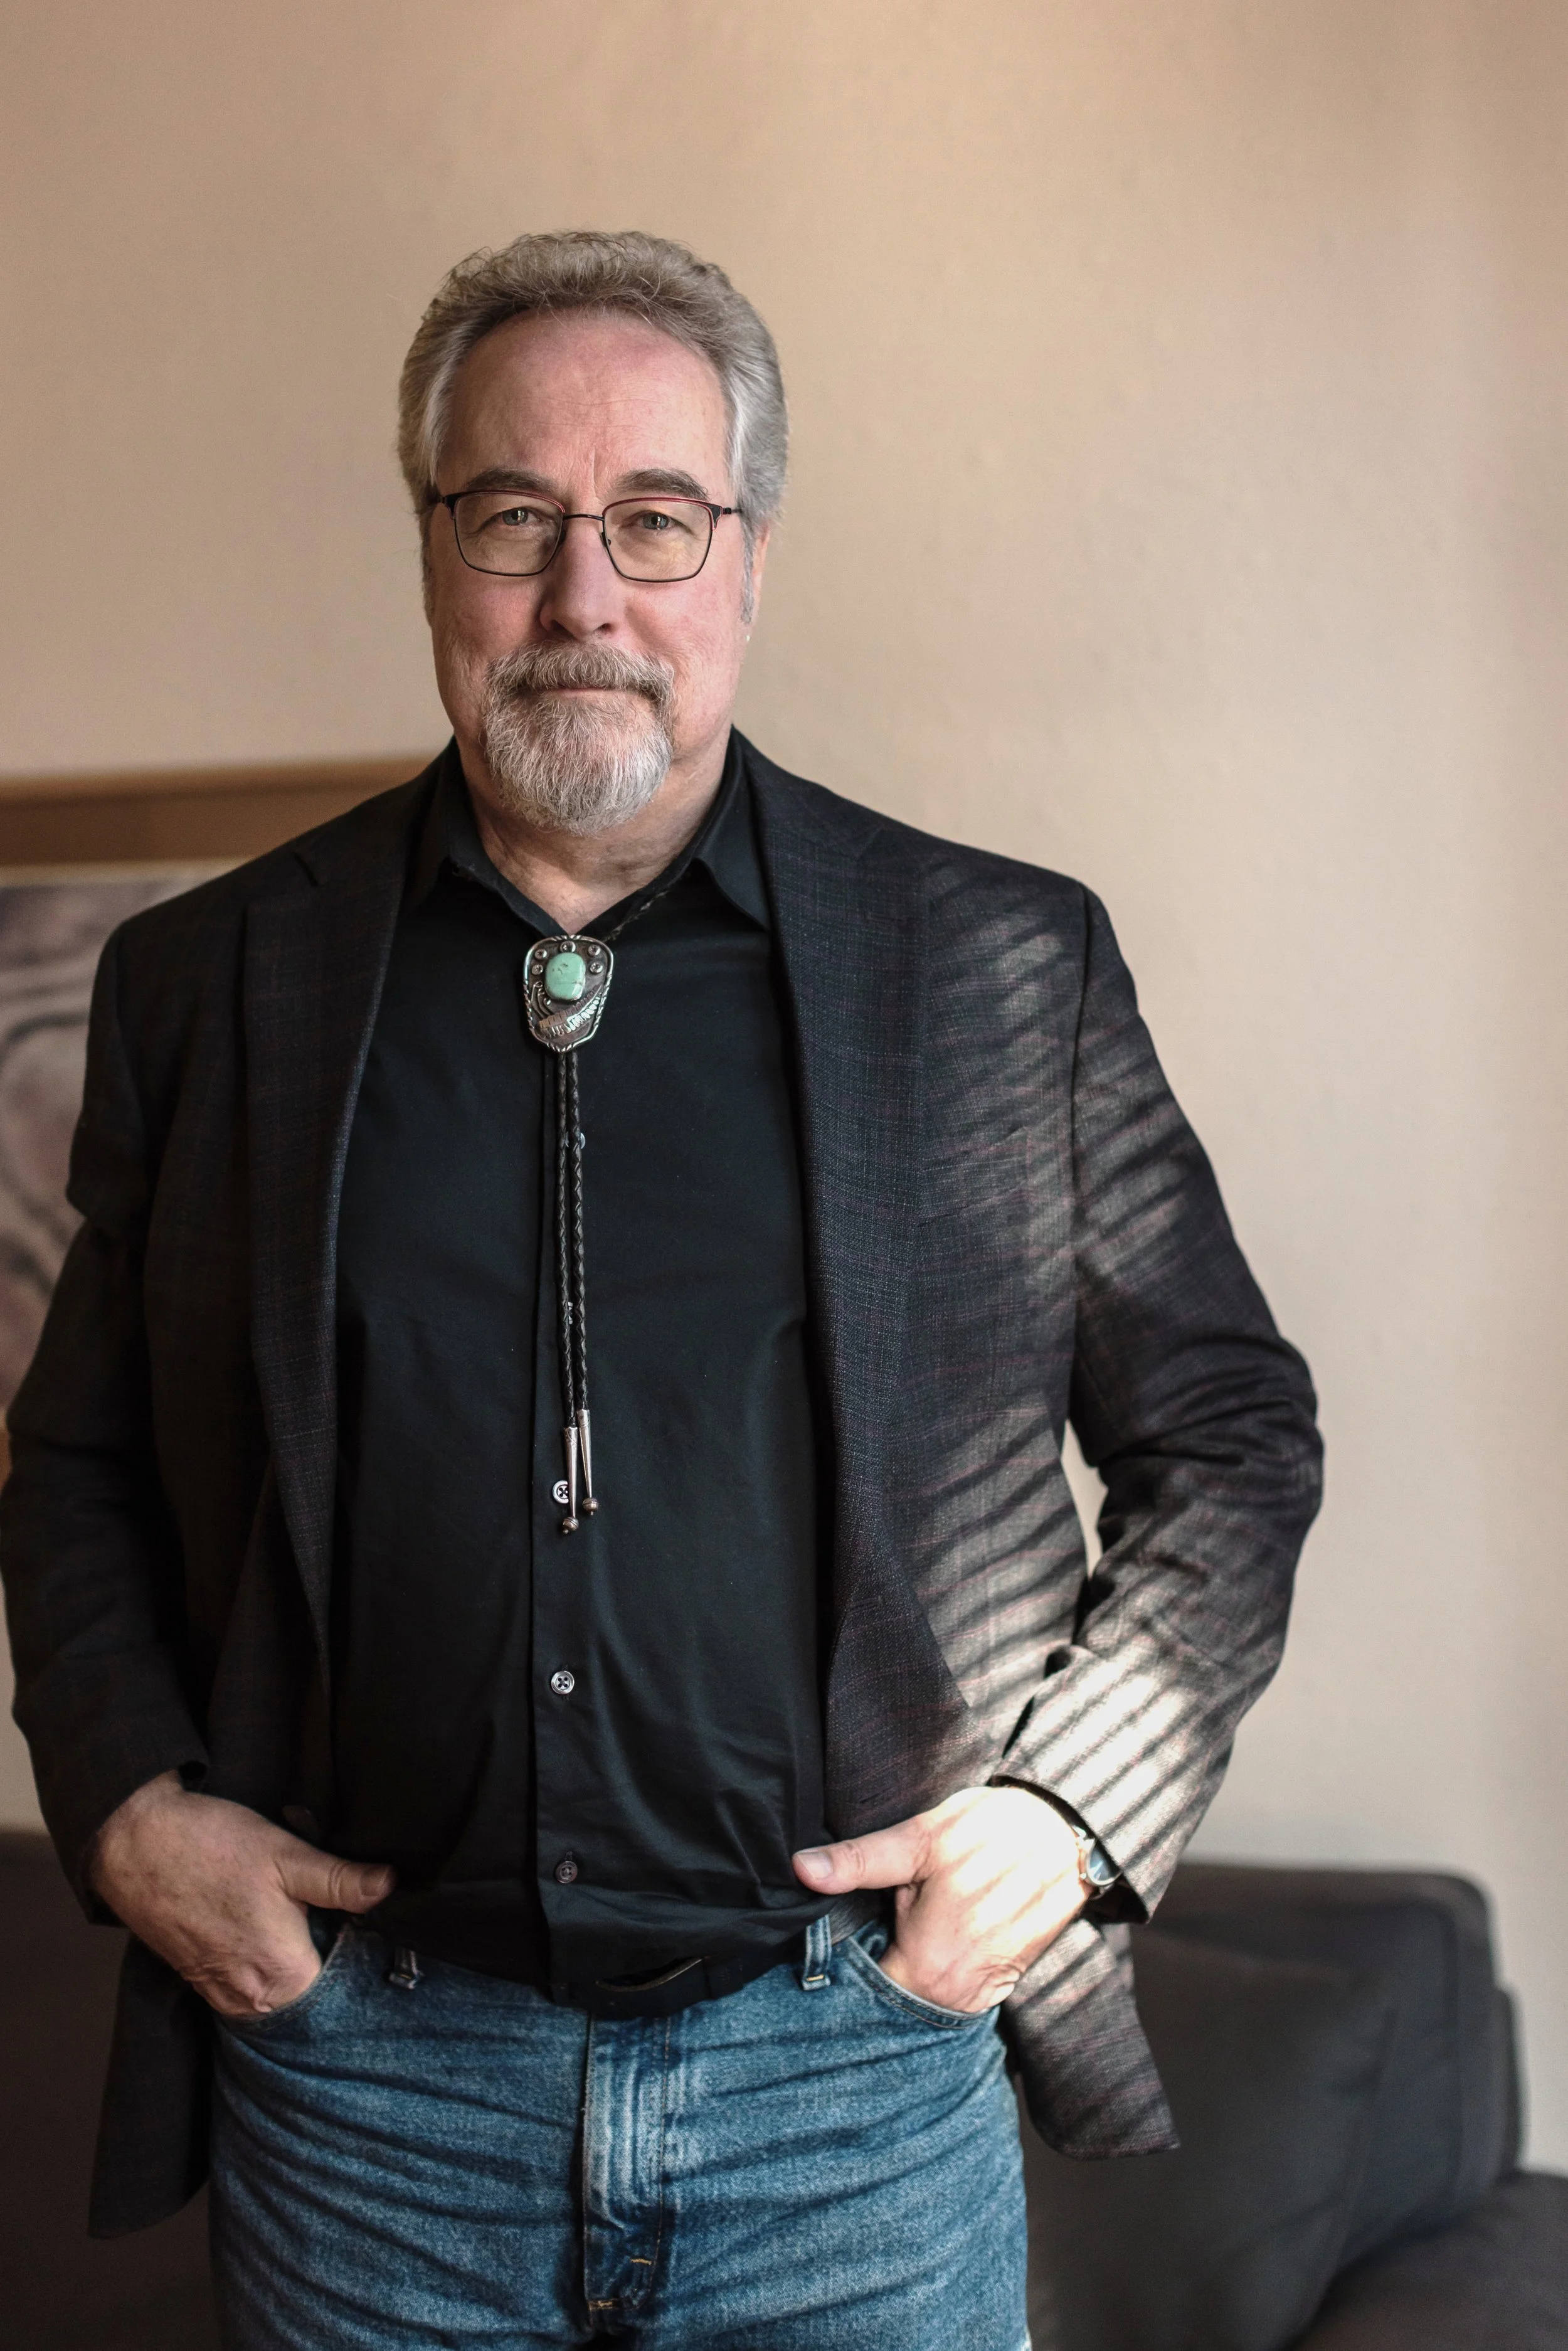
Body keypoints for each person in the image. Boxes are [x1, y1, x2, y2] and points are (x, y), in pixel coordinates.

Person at [0, 230, 1322, 2350]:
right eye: (514, 516)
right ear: (434, 549)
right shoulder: (212, 982)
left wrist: (1073, 1810)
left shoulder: (996, 966)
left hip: (849, 2103)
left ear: (748, 555)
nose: (582, 597)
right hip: (366, 2107)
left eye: (652, 519)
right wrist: (133, 1807)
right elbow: (74, 1463)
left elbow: (1228, 1433)